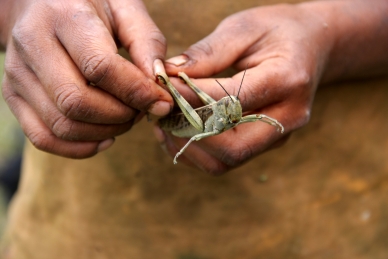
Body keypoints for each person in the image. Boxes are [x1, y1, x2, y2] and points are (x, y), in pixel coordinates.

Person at [0, 0, 387, 258]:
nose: (235, 111)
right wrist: (21, 9)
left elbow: (253, 115)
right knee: (183, 89)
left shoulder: (233, 111)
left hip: (341, 222)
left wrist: (331, 37)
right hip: (77, 231)